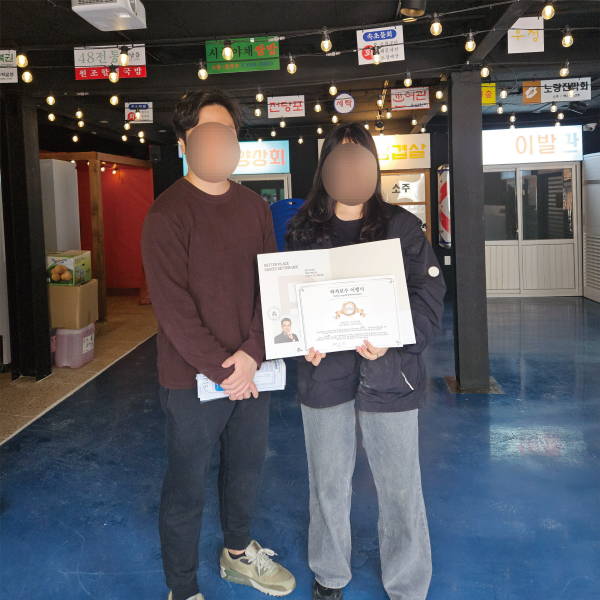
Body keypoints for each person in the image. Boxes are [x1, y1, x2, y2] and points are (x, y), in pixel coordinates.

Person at [141, 89, 296, 600]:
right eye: (205, 134)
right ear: (184, 143)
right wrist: (228, 369)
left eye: (226, 134)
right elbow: (174, 309)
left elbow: (271, 286)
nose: (217, 144)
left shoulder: (254, 207)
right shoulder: (167, 214)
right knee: (186, 486)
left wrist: (252, 353)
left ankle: (237, 555)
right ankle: (182, 587)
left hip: (254, 372)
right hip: (191, 381)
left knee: (245, 471)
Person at [284, 123, 446, 600]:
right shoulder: (304, 230)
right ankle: (330, 572)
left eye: (360, 159)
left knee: (399, 484)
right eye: (341, 158)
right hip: (323, 373)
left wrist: (395, 339)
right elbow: (288, 302)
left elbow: (428, 296)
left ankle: (407, 583)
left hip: (390, 373)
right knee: (327, 481)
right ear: (325, 169)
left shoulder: (401, 227)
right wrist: (300, 341)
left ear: (374, 168)